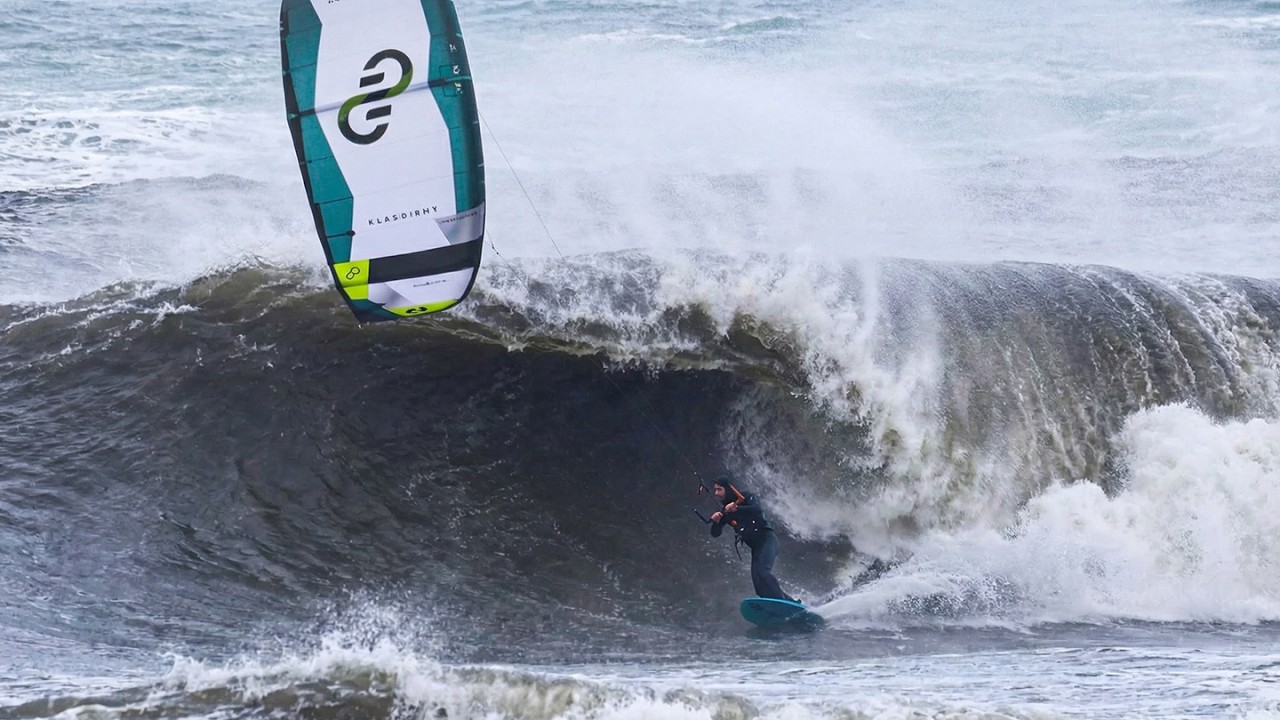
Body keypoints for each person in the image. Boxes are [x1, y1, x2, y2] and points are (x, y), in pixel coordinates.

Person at [707, 476, 798, 603]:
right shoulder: (725, 512)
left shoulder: (746, 497)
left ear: (728, 489)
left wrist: (737, 508)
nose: (716, 493)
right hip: (756, 549)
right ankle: (790, 602)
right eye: (715, 490)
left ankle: (784, 602)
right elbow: (715, 533)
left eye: (719, 489)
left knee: (763, 572)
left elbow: (757, 509)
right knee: (759, 588)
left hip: (768, 540)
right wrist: (716, 522)